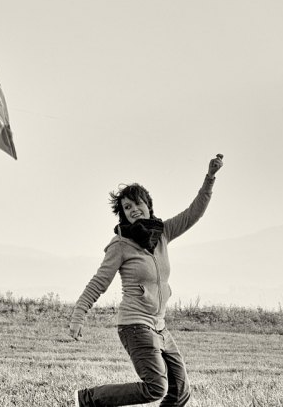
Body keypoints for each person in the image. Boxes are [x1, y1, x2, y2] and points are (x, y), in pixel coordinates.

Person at [69, 154, 224, 407]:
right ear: (122, 215)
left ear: (148, 205)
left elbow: (194, 213)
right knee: (156, 388)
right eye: (127, 208)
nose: (134, 210)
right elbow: (98, 282)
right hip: (135, 325)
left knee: (179, 391)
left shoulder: (163, 233)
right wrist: (78, 314)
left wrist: (210, 178)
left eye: (137, 203)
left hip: (159, 326)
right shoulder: (120, 245)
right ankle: (86, 399)